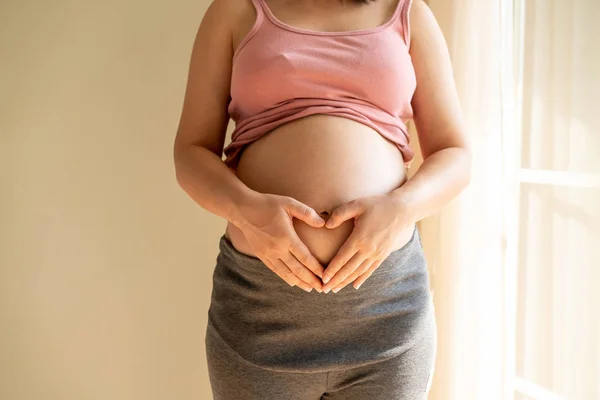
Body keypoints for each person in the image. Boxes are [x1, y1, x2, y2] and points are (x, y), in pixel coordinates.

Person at [173, 0, 470, 398]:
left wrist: (402, 208)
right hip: (262, 310)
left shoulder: (409, 12)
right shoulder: (235, 10)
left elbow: (456, 155)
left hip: (387, 311)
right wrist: (246, 210)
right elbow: (191, 152)